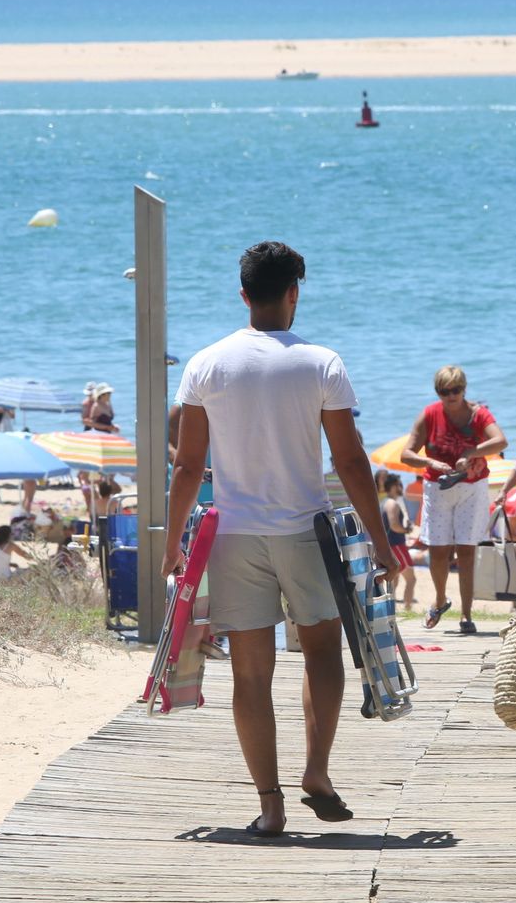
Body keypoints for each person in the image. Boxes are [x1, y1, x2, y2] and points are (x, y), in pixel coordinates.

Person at [165, 240, 398, 838]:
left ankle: (270, 806)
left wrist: (172, 545)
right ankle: (316, 771)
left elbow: (189, 467)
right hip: (305, 532)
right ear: (294, 291)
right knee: (322, 653)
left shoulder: (206, 365)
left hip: (234, 537)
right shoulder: (321, 363)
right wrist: (380, 536)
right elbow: (349, 460)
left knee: (250, 675)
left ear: (243, 294)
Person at [400, 365, 508, 634]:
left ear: (464, 389)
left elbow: (501, 442)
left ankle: (466, 614)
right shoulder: (429, 415)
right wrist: (431, 462)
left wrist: (472, 452)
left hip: (472, 486)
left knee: (467, 551)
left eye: (456, 390)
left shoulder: (478, 414)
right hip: (437, 487)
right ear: (438, 391)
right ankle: (439, 600)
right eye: (444, 391)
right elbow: (407, 453)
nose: (451, 396)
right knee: (438, 550)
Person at [380, 473, 418, 610]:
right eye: (399, 484)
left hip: (390, 545)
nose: (401, 487)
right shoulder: (392, 503)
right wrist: (406, 530)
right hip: (396, 545)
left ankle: (390, 608)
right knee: (411, 579)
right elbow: (394, 525)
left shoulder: (385, 502)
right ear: (393, 486)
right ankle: (408, 608)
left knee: (394, 579)